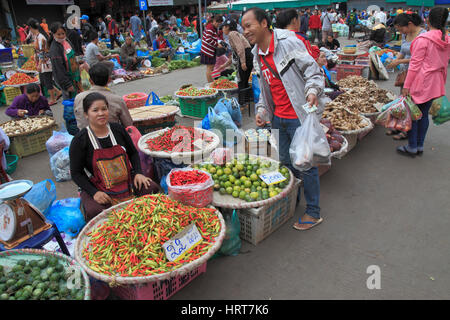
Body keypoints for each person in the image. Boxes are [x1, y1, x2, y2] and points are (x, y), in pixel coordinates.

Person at [241, 7, 327, 231]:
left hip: (299, 116)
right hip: (278, 117)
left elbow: (313, 71)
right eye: (243, 27)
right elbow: (265, 87)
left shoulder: (288, 42)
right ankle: (293, 199)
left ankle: (314, 211)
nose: (246, 31)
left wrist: (312, 91)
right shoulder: (256, 54)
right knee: (287, 163)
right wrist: (262, 111)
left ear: (263, 23)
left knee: (306, 165)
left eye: (249, 25)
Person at [69, 92, 161, 221]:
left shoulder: (117, 129)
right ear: (86, 114)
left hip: (127, 181)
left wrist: (139, 173)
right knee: (95, 212)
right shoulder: (80, 140)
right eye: (95, 110)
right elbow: (76, 173)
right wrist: (94, 192)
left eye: (104, 109)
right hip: (100, 187)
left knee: (151, 188)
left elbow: (133, 153)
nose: (101, 113)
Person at [397, 7, 450, 157]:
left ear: (427, 20)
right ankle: (419, 145)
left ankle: (412, 146)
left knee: (414, 115)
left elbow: (414, 66)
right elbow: (444, 63)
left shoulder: (423, 39)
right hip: (436, 82)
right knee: (424, 114)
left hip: (421, 82)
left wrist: (406, 86)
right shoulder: (446, 38)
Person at [385, 13, 427, 140]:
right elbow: (403, 51)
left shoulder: (423, 35)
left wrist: (399, 62)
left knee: (412, 104)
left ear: (409, 24)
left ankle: (407, 131)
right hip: (405, 73)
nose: (400, 31)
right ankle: (399, 126)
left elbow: (420, 59)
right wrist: (394, 61)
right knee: (403, 101)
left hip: (417, 74)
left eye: (400, 28)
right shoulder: (405, 34)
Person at [74, 63, 133, 130]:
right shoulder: (117, 99)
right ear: (109, 79)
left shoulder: (78, 98)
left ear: (90, 81)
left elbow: (79, 121)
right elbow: (129, 125)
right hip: (110, 136)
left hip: (85, 137)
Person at [217, 19, 254, 105]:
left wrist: (243, 62)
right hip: (247, 56)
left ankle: (242, 102)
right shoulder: (236, 34)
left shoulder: (232, 34)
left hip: (246, 56)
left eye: (223, 27)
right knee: (244, 80)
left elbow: (240, 48)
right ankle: (246, 100)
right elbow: (235, 54)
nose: (222, 30)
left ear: (227, 27)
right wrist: (224, 65)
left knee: (241, 81)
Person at [27, 18, 62, 106]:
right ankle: (58, 92)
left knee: (47, 80)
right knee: (43, 80)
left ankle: (53, 99)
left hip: (46, 62)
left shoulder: (41, 37)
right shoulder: (37, 36)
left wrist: (40, 63)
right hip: (43, 61)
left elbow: (43, 51)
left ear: (30, 27)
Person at [49, 22, 81, 100]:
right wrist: (68, 85)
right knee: (70, 102)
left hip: (74, 76)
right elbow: (58, 69)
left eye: (63, 33)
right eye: (58, 34)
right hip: (65, 80)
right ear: (53, 35)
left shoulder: (66, 41)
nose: (61, 36)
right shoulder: (55, 49)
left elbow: (73, 55)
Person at [200, 15, 223, 83]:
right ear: (214, 21)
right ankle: (210, 84)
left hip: (210, 50)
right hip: (208, 51)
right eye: (217, 23)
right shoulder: (210, 28)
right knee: (209, 68)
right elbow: (208, 39)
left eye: (219, 24)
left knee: (211, 68)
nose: (218, 25)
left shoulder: (212, 27)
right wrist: (217, 44)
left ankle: (211, 82)